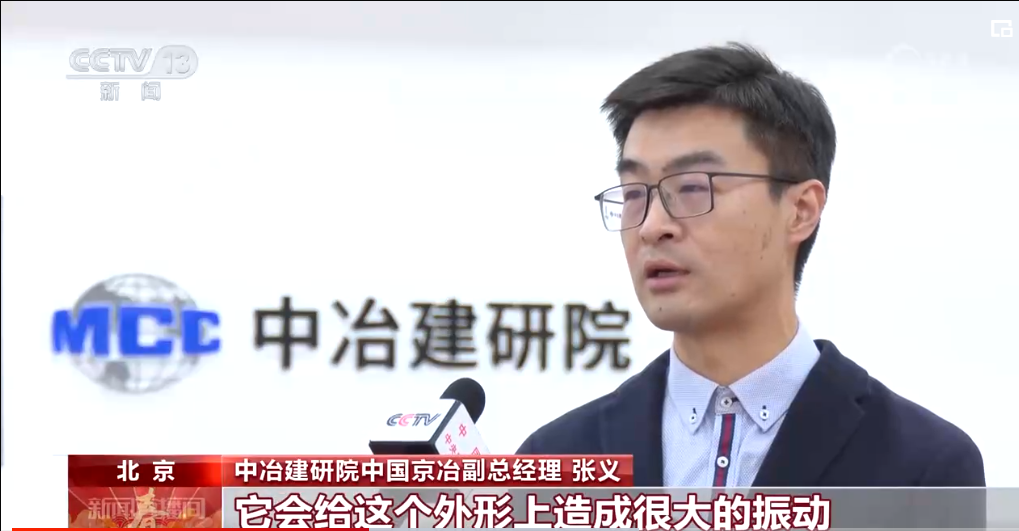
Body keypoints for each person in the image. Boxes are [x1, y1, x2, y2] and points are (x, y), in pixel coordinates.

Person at [516, 43, 984, 489]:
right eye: (635, 193)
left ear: (800, 210)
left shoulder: (922, 465)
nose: (652, 227)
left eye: (693, 187)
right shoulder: (556, 458)